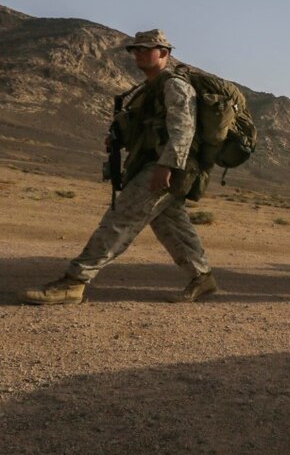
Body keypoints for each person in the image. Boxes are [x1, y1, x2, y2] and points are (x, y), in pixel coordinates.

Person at [22, 30, 217, 305]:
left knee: (119, 220)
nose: (138, 54)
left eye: (145, 49)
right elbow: (148, 127)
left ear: (164, 53)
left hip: (165, 166)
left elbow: (183, 129)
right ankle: (202, 277)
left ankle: (74, 282)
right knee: (171, 224)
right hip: (153, 163)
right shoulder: (149, 88)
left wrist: (167, 166)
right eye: (135, 49)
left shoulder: (175, 85)